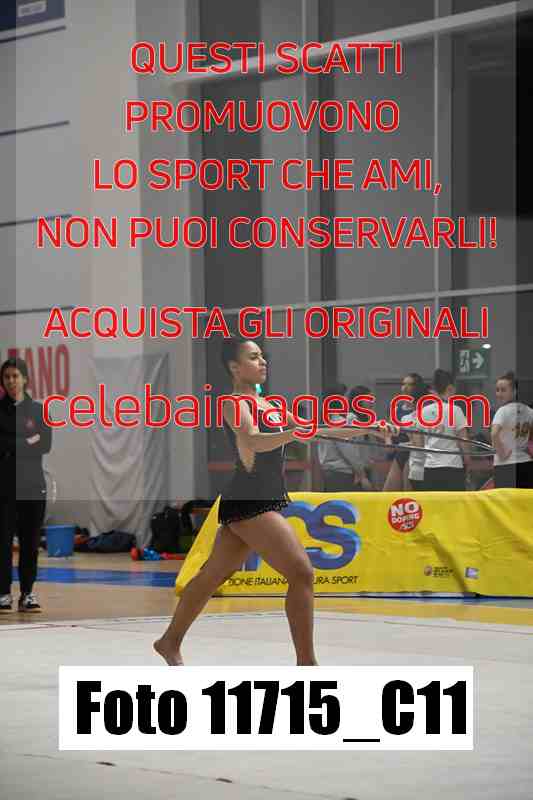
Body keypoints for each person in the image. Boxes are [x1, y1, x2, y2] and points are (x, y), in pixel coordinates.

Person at [154, 336, 390, 666]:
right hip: (250, 499)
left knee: (212, 575)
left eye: (262, 356)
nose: (262, 361)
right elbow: (253, 440)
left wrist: (367, 428)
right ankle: (307, 664)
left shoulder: (272, 406)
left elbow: (316, 430)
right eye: (253, 357)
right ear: (235, 368)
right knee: (301, 573)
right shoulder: (234, 404)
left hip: (258, 498)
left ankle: (169, 641)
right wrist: (292, 434)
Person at [0, 357, 52, 612]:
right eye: (7, 377)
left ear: (25, 379)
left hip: (32, 486)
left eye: (15, 376)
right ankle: (3, 593)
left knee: (30, 543)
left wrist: (13, 445)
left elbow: (45, 444)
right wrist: (27, 441)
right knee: (3, 542)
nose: (11, 381)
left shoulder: (39, 410)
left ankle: (27, 593)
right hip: (4, 488)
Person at [420, 369, 470, 491]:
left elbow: (421, 441)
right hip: (452, 465)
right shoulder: (455, 410)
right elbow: (463, 439)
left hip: (430, 466)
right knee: (454, 502)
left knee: (434, 502)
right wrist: (468, 460)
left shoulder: (423, 411)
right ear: (450, 388)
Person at [317, 383, 373, 491]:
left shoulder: (325, 422)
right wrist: (362, 475)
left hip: (330, 472)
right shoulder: (339, 423)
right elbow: (349, 451)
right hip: (342, 474)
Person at [382, 373, 427, 491]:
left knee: (408, 491)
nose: (405, 388)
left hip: (415, 454)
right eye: (403, 384)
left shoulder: (423, 408)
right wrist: (388, 441)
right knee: (388, 491)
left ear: (417, 387)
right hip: (400, 452)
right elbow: (390, 430)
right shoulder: (396, 408)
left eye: (409, 384)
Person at [491, 371, 533, 488]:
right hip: (526, 463)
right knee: (524, 499)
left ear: (514, 392)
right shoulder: (529, 411)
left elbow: (494, 434)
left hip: (506, 465)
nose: (499, 394)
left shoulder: (502, 411)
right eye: (497, 390)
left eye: (503, 390)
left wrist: (501, 454)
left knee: (504, 500)